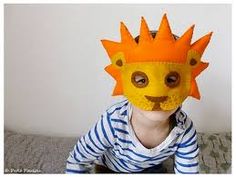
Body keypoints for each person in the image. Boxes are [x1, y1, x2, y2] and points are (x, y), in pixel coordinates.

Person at [65, 14, 212, 174]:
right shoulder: (113, 122)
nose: (157, 94)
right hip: (111, 168)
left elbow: (188, 171)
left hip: (151, 169)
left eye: (171, 80)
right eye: (140, 80)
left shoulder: (184, 130)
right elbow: (78, 160)